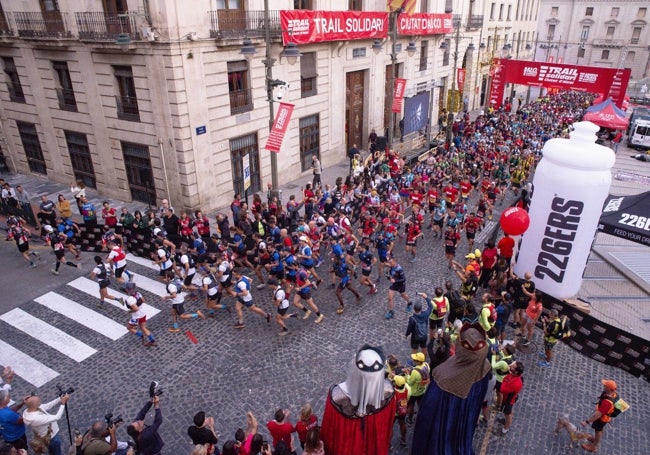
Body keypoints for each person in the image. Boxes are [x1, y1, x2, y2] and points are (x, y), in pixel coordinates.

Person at [22, 391, 71, 455]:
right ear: (35, 405)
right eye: (38, 401)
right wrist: (63, 404)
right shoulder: (36, 418)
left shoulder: (30, 409)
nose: (40, 401)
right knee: (56, 451)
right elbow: (57, 417)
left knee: (52, 449)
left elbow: (48, 406)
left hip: (46, 435)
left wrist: (59, 399)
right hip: (51, 437)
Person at [580, 379, 621, 452]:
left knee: (598, 431)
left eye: (605, 385)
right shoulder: (614, 394)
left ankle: (593, 446)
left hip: (602, 419)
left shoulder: (607, 402)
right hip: (606, 417)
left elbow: (598, 415)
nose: (603, 385)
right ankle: (595, 440)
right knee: (600, 430)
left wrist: (587, 422)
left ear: (609, 388)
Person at [124, 282, 155, 347]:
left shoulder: (130, 299)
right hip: (143, 314)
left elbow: (136, 309)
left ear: (127, 290)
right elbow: (143, 300)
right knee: (143, 327)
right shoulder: (138, 294)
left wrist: (129, 311)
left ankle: (140, 334)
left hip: (136, 317)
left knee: (129, 328)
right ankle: (152, 340)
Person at [498, 361, 524, 435]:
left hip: (509, 400)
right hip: (510, 398)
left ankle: (505, 429)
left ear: (516, 372)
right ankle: (506, 422)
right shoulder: (517, 376)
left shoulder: (515, 383)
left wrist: (504, 379)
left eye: (512, 367)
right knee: (509, 412)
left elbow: (502, 389)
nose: (510, 366)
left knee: (507, 414)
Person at [404, 352, 429, 425]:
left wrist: (407, 374)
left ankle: (410, 420)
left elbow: (409, 382)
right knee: (420, 404)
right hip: (422, 390)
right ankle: (422, 417)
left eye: (414, 360)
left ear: (418, 361)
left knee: (411, 406)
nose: (413, 360)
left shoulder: (415, 371)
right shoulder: (426, 365)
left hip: (414, 392)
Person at [385, 256, 412, 320]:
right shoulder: (391, 267)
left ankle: (409, 303)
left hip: (400, 285)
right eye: (389, 262)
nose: (390, 263)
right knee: (389, 298)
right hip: (394, 285)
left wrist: (395, 281)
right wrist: (388, 276)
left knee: (403, 295)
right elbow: (392, 276)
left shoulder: (399, 269)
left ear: (395, 261)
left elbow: (404, 279)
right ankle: (391, 312)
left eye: (391, 262)